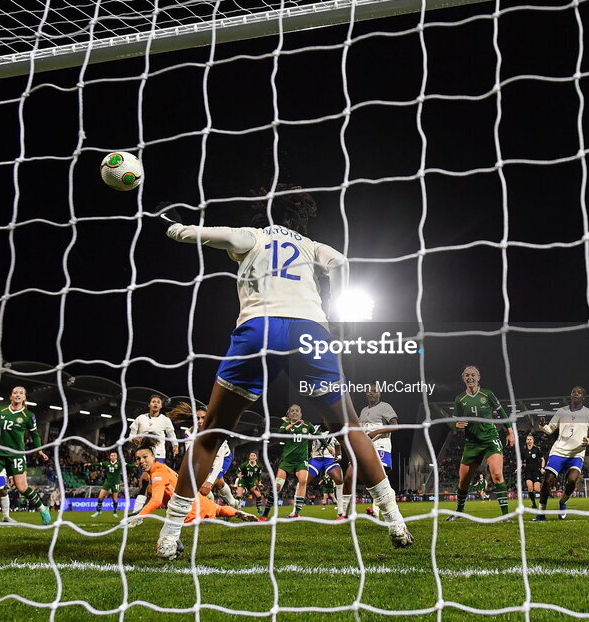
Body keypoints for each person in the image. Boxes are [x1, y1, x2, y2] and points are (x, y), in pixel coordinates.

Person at [152, 186, 412, 558]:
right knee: (350, 428)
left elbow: (208, 235)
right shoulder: (309, 245)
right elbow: (340, 262)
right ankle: (397, 523)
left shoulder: (253, 237)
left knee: (211, 432)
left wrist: (172, 226)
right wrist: (335, 318)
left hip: (259, 328)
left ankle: (168, 535)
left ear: (263, 214)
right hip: (309, 330)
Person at [126, 447, 258, 557]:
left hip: (184, 509)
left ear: (153, 456)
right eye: (138, 459)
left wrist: (139, 516)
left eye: (145, 457)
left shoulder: (157, 473)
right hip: (197, 499)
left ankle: (174, 551)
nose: (142, 461)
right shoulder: (162, 467)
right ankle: (236, 512)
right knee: (218, 509)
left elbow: (156, 500)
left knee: (163, 546)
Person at [0, 386, 51, 527]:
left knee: (22, 487)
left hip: (16, 456)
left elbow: (35, 435)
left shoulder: (28, 415)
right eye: (15, 392)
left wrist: (39, 450)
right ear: (11, 396)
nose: (18, 395)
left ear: (24, 398)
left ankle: (42, 509)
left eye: (21, 393)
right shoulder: (0, 411)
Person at [446, 365, 515, 520]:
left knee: (497, 474)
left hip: (491, 439)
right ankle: (459, 511)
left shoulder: (487, 394)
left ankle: (505, 515)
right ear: (463, 378)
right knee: (463, 481)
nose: (470, 377)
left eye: (473, 375)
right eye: (467, 375)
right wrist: (455, 425)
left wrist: (510, 432)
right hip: (471, 443)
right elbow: (454, 421)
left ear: (478, 377)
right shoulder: (460, 399)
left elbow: (501, 412)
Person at [533, 386, 589, 522]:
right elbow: (550, 429)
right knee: (547, 481)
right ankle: (541, 513)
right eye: (573, 392)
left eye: (579, 392)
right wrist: (542, 426)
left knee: (572, 481)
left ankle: (562, 502)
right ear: (570, 395)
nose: (576, 394)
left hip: (577, 454)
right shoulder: (561, 411)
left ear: (583, 397)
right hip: (559, 451)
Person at [167, 402, 239, 509]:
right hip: (204, 458)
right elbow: (191, 456)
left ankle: (230, 505)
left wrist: (209, 481)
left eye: (203, 418)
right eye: (197, 418)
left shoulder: (217, 433)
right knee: (215, 485)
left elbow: (218, 460)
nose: (200, 421)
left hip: (223, 458)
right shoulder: (189, 433)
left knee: (212, 483)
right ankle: (229, 505)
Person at [341, 383, 398, 518]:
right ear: (366, 394)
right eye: (369, 391)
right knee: (349, 476)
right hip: (364, 447)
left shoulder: (385, 406)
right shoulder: (363, 411)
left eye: (374, 391)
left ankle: (375, 511)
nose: (371, 393)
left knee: (378, 477)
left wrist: (376, 432)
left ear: (380, 393)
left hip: (380, 446)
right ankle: (344, 513)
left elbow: (395, 426)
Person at [129, 395, 178, 510]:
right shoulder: (140, 418)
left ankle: (137, 512)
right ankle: (138, 513)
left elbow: (171, 435)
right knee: (145, 483)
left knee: (146, 481)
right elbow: (131, 434)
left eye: (158, 402)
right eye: (153, 402)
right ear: (149, 404)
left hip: (159, 455)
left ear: (161, 406)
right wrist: (134, 439)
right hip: (144, 455)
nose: (155, 404)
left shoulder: (165, 420)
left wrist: (175, 445)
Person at [275, 404, 314, 518]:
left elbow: (318, 435)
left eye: (297, 411)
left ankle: (296, 513)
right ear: (289, 414)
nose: (295, 412)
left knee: (303, 481)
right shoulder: (286, 425)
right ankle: (267, 509)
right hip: (287, 460)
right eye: (292, 411)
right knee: (278, 486)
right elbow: (279, 434)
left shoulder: (308, 425)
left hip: (301, 460)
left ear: (301, 414)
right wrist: (289, 425)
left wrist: (328, 446)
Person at [306, 423, 345, 520]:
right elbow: (306, 440)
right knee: (303, 481)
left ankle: (341, 511)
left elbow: (338, 446)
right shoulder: (315, 428)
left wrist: (339, 456)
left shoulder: (336, 430)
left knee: (339, 480)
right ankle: (295, 511)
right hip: (316, 458)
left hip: (329, 459)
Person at [91, 451, 127, 517]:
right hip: (107, 482)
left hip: (116, 483)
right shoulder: (106, 463)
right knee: (100, 497)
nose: (113, 457)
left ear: (116, 457)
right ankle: (98, 511)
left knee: (115, 499)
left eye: (114, 455)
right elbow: (98, 464)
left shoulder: (119, 464)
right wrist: (90, 464)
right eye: (111, 455)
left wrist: (135, 465)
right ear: (110, 457)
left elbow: (128, 465)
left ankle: (115, 512)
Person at [235, 451, 266, 518]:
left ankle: (259, 509)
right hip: (243, 481)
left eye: (254, 455)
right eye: (251, 455)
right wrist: (238, 475)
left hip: (251, 482)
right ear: (249, 457)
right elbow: (237, 471)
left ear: (256, 457)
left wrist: (260, 482)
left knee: (259, 495)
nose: (252, 457)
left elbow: (259, 475)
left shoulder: (258, 466)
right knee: (239, 495)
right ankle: (238, 509)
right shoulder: (245, 464)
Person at [519, 434, 545, 509]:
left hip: (536, 471)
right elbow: (521, 461)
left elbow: (542, 459)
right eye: (528, 439)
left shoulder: (537, 449)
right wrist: (519, 468)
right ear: (526, 441)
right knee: (530, 488)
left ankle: (542, 502)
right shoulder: (524, 451)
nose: (529, 441)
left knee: (537, 489)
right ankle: (534, 503)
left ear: (533, 441)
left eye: (530, 439)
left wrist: (542, 468)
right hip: (528, 471)